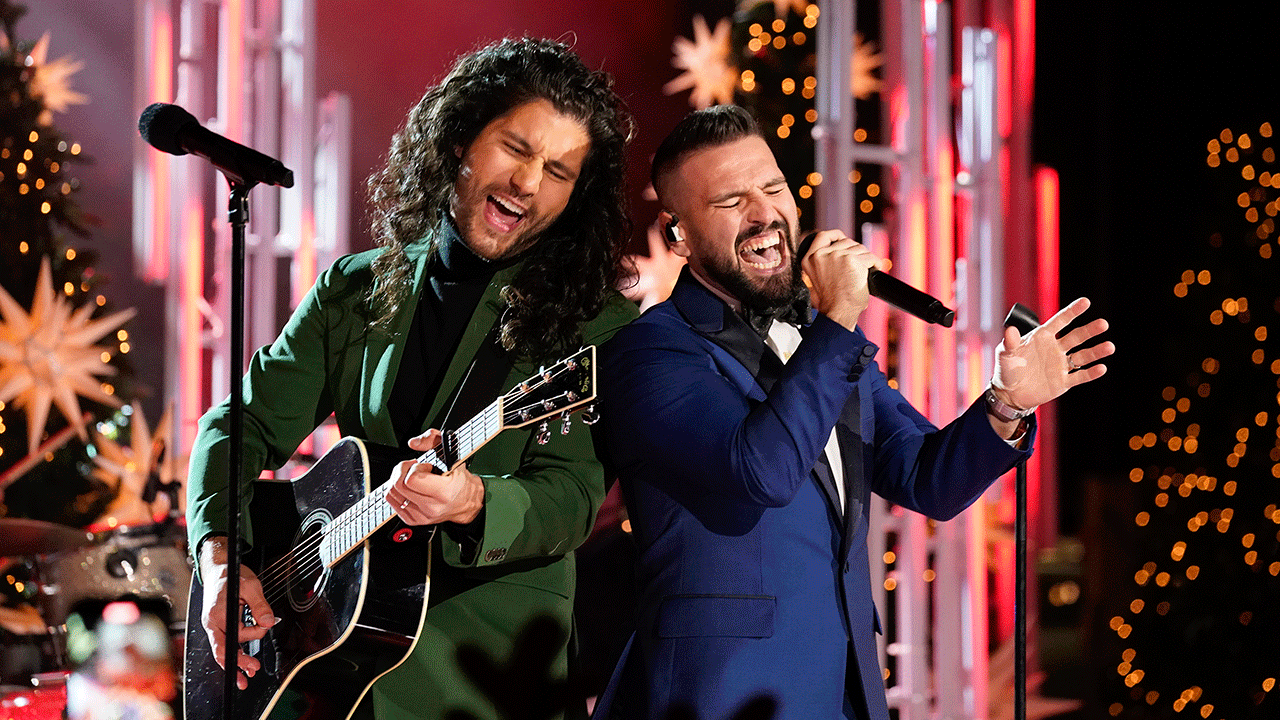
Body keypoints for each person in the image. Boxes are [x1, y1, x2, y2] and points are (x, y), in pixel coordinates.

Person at [592, 105, 1114, 720]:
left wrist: (1006, 401)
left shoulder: (819, 342)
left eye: (774, 188)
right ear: (677, 232)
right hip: (718, 696)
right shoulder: (653, 349)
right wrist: (838, 318)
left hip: (840, 691)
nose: (765, 215)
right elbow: (760, 472)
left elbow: (927, 477)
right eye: (730, 202)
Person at [185, 37, 637, 720]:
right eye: (516, 148)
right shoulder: (357, 287)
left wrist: (474, 501)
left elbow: (573, 496)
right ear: (460, 139)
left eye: (559, 171)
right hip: (327, 669)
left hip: (485, 676)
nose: (527, 183)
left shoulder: (593, 323)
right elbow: (236, 427)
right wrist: (221, 560)